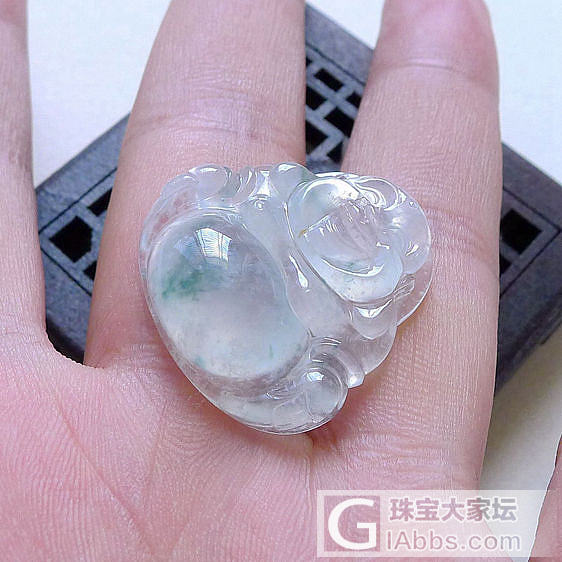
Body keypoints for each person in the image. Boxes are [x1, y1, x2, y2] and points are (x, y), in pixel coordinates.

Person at [0, 0, 558, 558]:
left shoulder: (339, 325)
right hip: (211, 265)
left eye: (367, 235)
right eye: (354, 208)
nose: (352, 221)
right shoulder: (258, 202)